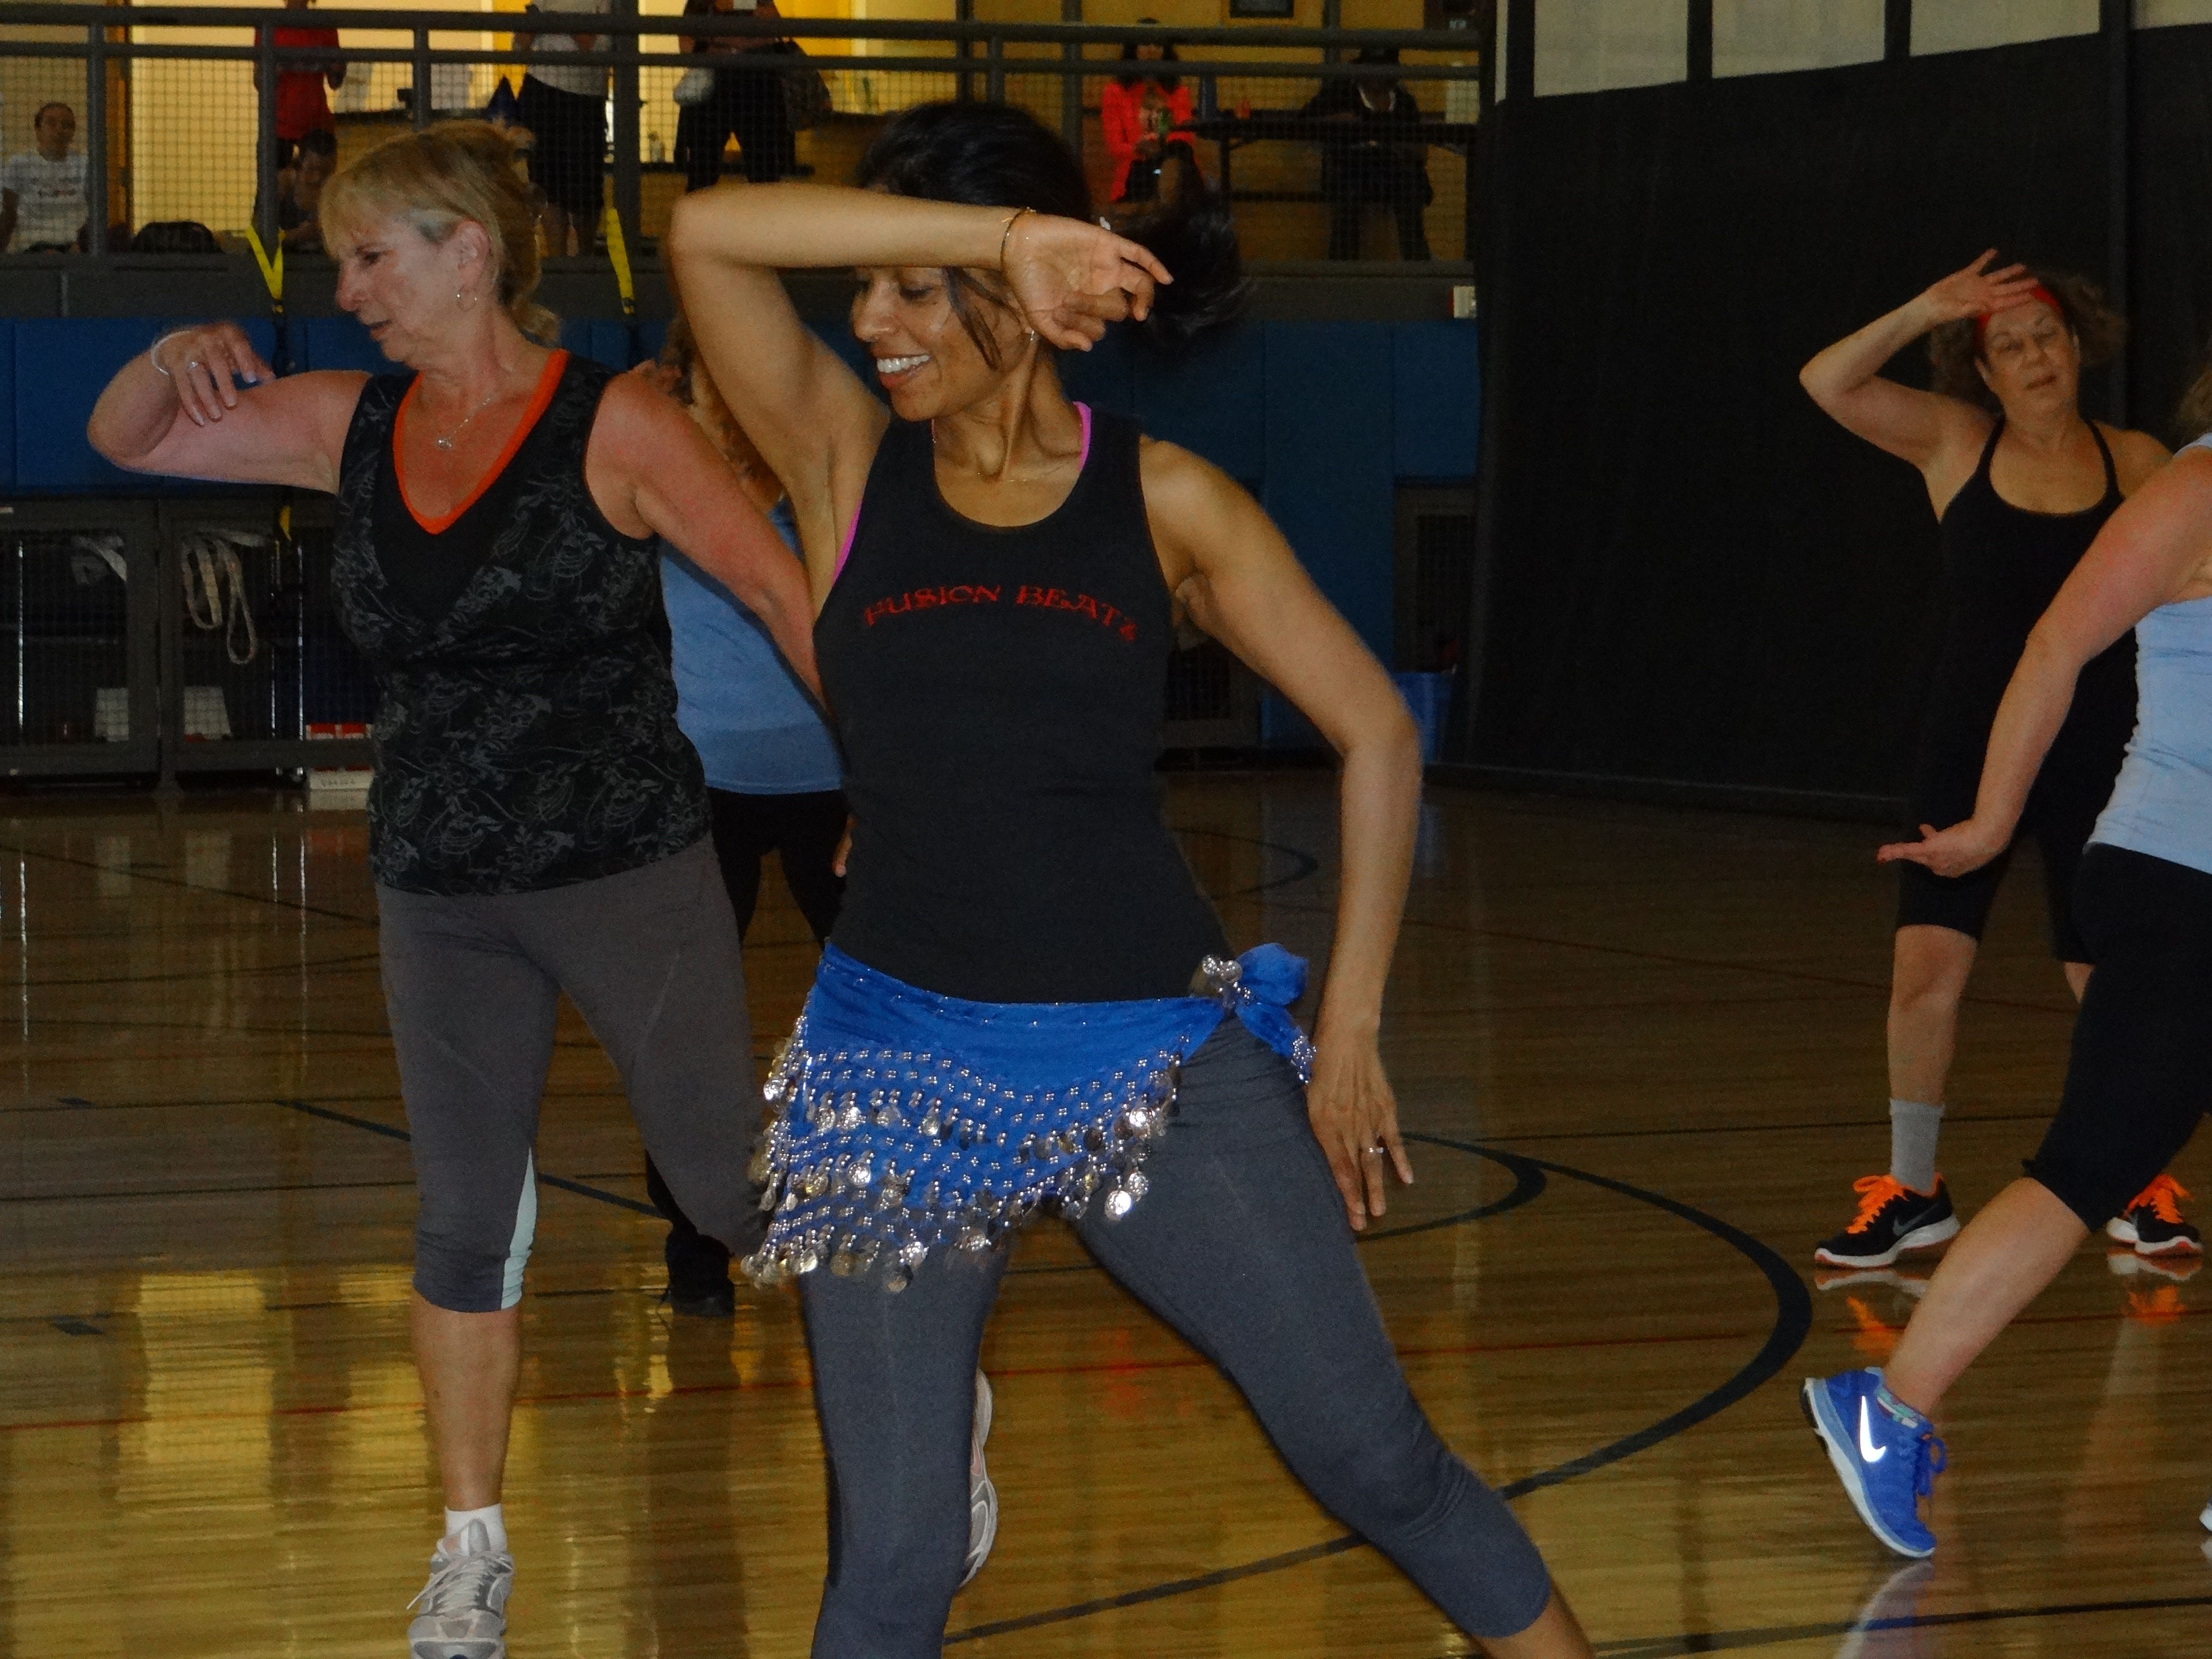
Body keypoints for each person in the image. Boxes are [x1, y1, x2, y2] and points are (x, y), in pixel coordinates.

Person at [665, 99, 1593, 1658]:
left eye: (913, 288)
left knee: (1372, 1459)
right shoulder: (839, 463)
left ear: (1021, 315)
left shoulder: (1165, 503)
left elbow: (1373, 731)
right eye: (873, 282)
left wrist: (1349, 1027)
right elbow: (706, 233)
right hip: (888, 1065)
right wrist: (993, 239)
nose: (875, 323)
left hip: (1147, 1061)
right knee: (887, 1560)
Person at [84, 121, 817, 1659]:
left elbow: (777, 590)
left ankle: (931, 1388)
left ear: (465, 255)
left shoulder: (615, 422)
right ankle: (471, 1553)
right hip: (436, 882)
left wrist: (900, 789)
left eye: (370, 257)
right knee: (462, 1220)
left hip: (625, 864)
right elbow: (131, 443)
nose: (347, 289)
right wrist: (169, 355)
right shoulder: (347, 423)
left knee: (726, 1187)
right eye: (338, 259)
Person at [1802, 344, 2212, 1560]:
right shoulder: (2192, 492)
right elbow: (2052, 646)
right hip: (2176, 884)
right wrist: (1987, 823)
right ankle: (1887, 1406)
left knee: (2099, 1163)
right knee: (2091, 1166)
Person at [1798, 253, 2193, 1272]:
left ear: (2079, 344)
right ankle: (1914, 1191)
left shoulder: (2144, 461)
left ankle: (2133, 1181)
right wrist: (1928, 305)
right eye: (2008, 347)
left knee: (2105, 978)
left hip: (2106, 754)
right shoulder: (1953, 441)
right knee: (1927, 970)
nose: (2033, 359)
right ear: (1983, 371)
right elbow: (1826, 381)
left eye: (2046, 337)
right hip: (1972, 750)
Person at [1300, 47, 1431, 262]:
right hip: (1351, 167)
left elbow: (1421, 154)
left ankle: (1418, 267)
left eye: (1383, 69)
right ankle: (1343, 270)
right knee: (1349, 193)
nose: (1377, 75)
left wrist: (1399, 143)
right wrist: (1337, 122)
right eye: (1372, 68)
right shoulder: (1341, 94)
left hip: (1394, 173)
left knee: (1410, 191)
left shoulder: (1405, 103)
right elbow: (1303, 123)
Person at [516, 0, 611, 255]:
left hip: (584, 98)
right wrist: (533, 24)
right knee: (547, 182)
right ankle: (558, 262)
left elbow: (601, 47)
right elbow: (519, 46)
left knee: (586, 185)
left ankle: (586, 257)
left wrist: (563, 23)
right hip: (542, 91)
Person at [674, 0, 795, 191]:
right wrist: (745, 42)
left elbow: (773, 28)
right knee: (710, 168)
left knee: (759, 169)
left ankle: (700, 216)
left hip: (734, 86)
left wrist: (719, 41)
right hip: (748, 86)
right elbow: (688, 40)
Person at [1101, 23, 1197, 205]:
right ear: (1134, 49)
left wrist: (1161, 147)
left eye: (1158, 44)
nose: (1152, 49)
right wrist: (1138, 148)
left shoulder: (1178, 92)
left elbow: (1186, 136)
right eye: (1145, 43)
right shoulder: (1114, 92)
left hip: (1172, 172)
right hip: (1133, 178)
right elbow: (1115, 146)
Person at [254, 0, 344, 172]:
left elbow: (335, 80)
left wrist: (337, 68)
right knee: (276, 193)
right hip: (281, 127)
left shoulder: (324, 25)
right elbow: (260, 81)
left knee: (314, 191)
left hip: (313, 126)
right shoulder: (270, 24)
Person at [0, 102, 86, 254]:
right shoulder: (19, 164)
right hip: (33, 247)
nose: (60, 130)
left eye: (66, 125)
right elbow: (9, 214)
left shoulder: (84, 165)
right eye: (52, 124)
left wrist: (83, 245)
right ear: (38, 131)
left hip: (76, 248)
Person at [277, 127, 338, 253]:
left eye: (325, 171)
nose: (317, 178)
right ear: (301, 160)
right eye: (311, 169)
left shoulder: (337, 190)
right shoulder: (285, 182)